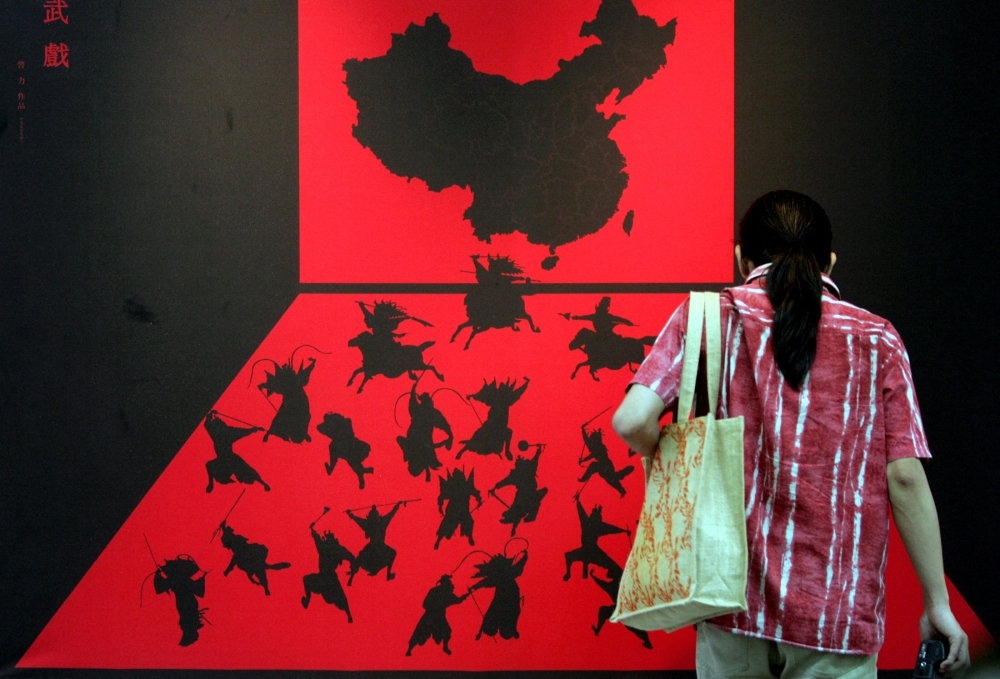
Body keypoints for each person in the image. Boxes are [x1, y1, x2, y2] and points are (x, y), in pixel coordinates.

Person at [612, 191, 970, 677]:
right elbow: (904, 477)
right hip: (837, 614)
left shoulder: (708, 317)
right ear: (830, 262)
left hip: (728, 601)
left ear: (742, 258)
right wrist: (937, 604)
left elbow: (631, 421)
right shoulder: (878, 338)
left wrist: (671, 459)